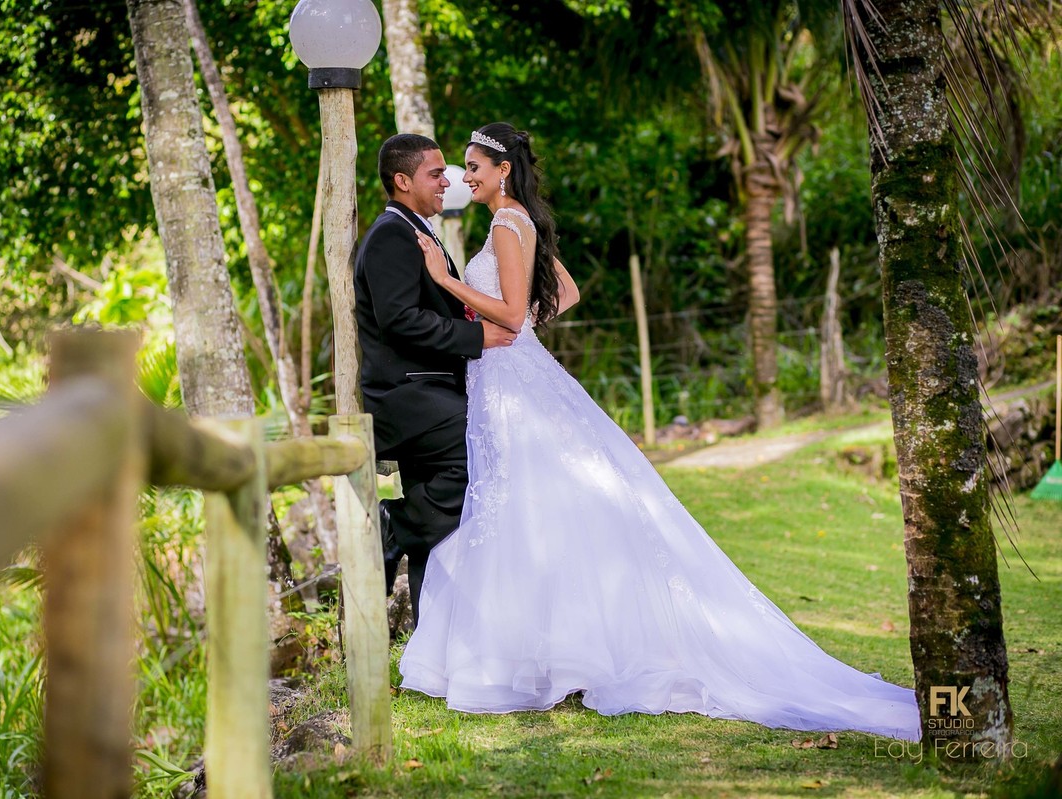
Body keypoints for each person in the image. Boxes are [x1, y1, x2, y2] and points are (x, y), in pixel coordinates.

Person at [397, 122, 921, 742]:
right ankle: (549, 652)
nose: (466, 176)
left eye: (474, 166)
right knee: (534, 513)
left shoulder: (509, 224)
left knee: (526, 508)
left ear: (503, 170)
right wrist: (516, 322)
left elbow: (512, 314)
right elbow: (564, 292)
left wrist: (446, 281)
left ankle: (538, 658)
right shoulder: (513, 222)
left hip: (512, 384)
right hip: (510, 378)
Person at [354, 133, 518, 625]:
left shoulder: (416, 230)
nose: (447, 181)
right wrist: (476, 338)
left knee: (449, 518)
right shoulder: (391, 235)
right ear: (402, 181)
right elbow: (400, 320)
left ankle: (435, 638)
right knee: (482, 454)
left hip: (428, 391)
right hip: (409, 398)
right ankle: (396, 525)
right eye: (434, 173)